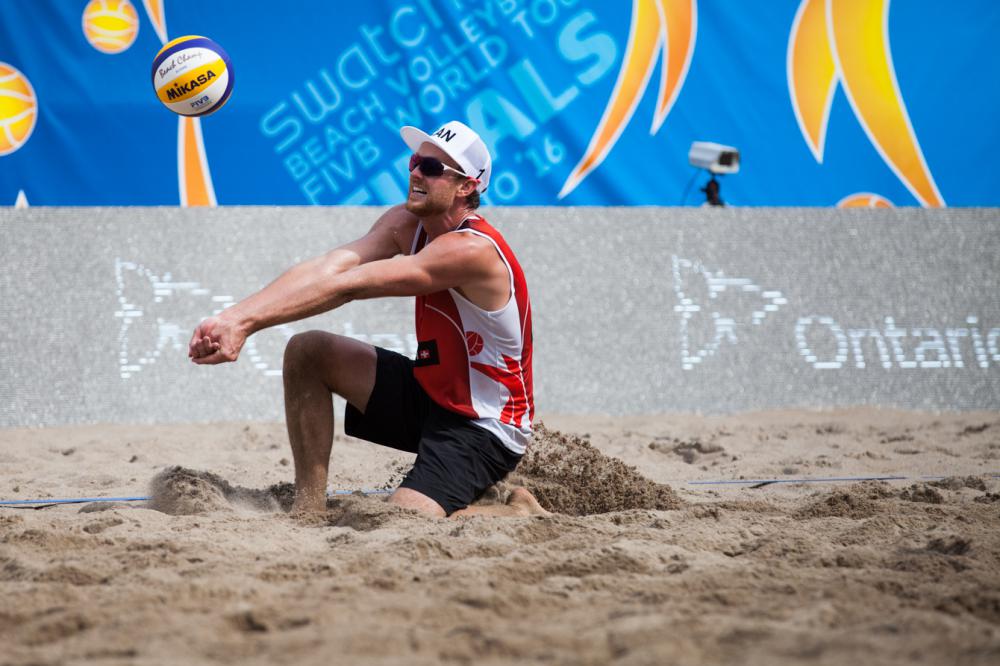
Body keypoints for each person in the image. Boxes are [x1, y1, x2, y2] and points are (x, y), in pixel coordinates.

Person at [188, 120, 548, 519]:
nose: (415, 172)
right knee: (308, 351)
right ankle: (308, 511)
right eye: (415, 161)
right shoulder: (406, 224)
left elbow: (348, 286)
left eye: (431, 168)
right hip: (430, 395)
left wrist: (248, 325)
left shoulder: (471, 251)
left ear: (466, 187)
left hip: (483, 426)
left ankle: (518, 511)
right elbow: (328, 268)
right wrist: (233, 317)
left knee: (403, 520)